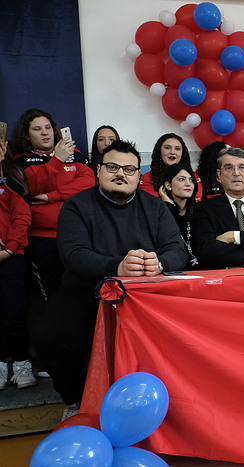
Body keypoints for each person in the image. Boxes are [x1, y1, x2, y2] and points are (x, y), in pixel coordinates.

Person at [34, 140, 187, 417]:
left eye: (129, 169)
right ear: (98, 170)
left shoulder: (155, 207)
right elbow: (74, 255)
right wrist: (117, 266)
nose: (121, 174)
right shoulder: (76, 207)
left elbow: (177, 251)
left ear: (139, 175)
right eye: (113, 167)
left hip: (146, 298)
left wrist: (159, 263)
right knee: (51, 333)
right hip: (87, 291)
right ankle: (76, 402)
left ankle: (171, 403)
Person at [11, 108, 94, 300]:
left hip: (76, 235)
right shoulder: (21, 160)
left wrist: (52, 196)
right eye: (37, 129)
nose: (45, 133)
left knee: (81, 293)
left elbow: (88, 183)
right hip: (42, 239)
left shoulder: (76, 154)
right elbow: (30, 186)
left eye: (48, 127)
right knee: (52, 294)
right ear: (26, 135)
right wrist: (57, 160)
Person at [0, 140, 36, 390]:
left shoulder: (12, 176)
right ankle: (1, 365)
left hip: (11, 255)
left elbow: (22, 215)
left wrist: (10, 247)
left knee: (14, 311)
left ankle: (22, 363)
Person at [141, 133, 203, 202]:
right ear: (159, 151)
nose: (172, 152)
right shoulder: (147, 178)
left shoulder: (193, 176)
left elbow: (196, 200)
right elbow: (150, 203)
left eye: (177, 149)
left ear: (182, 153)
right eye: (167, 148)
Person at [162, 164, 199, 269]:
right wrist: (168, 206)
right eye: (182, 179)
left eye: (191, 180)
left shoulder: (200, 212)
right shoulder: (160, 212)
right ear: (168, 185)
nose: (188, 184)